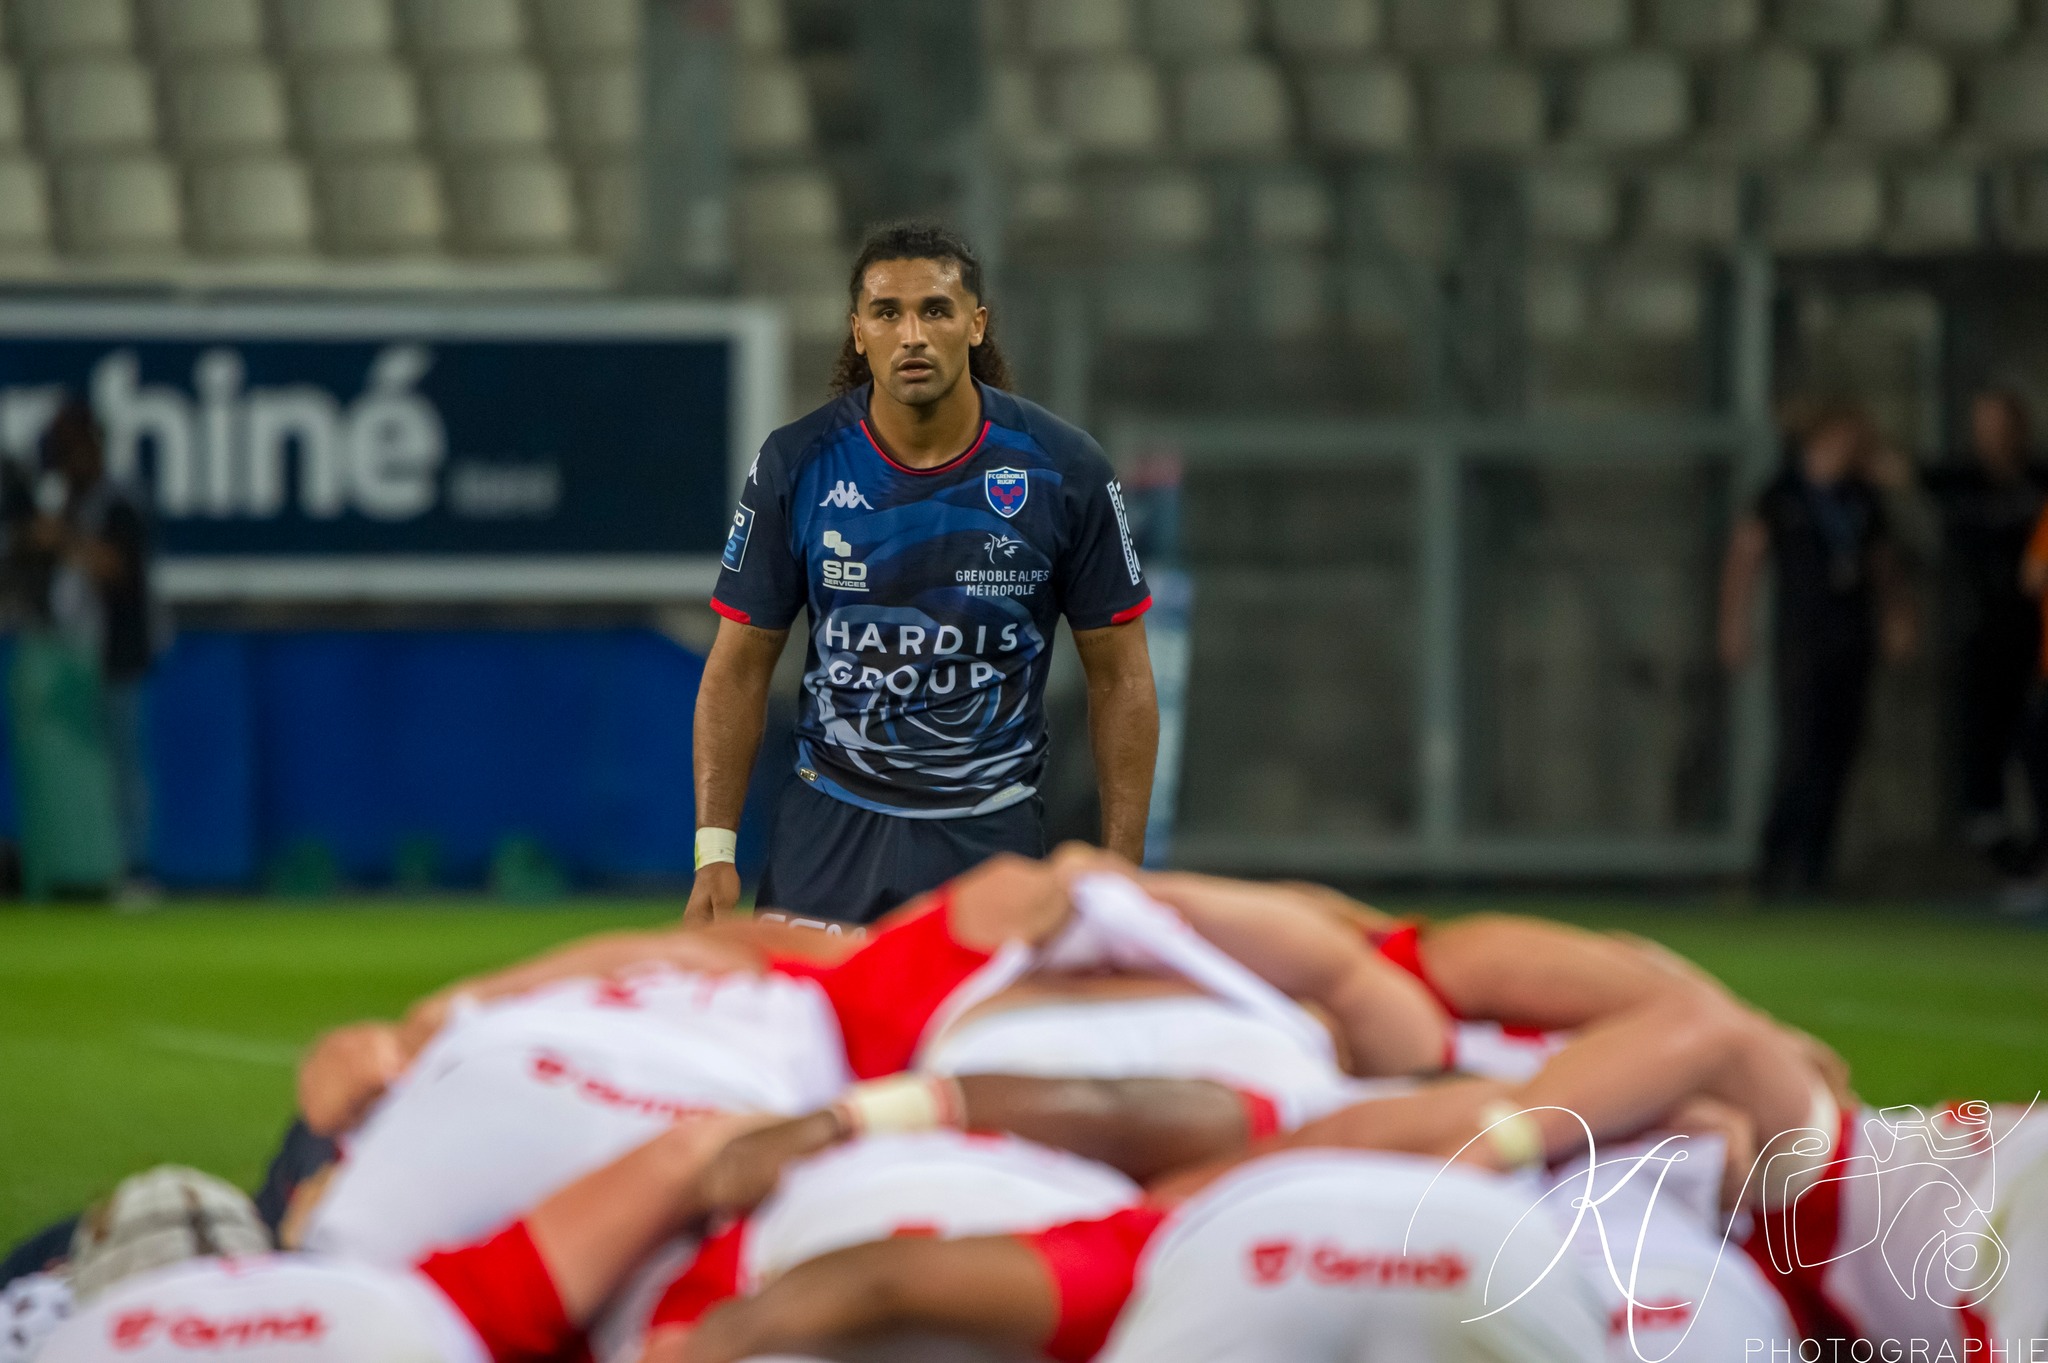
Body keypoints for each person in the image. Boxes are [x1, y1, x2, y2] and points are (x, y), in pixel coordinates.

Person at [687, 222, 1159, 926]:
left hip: (987, 835)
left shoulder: (1065, 469)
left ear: (976, 324)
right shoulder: (799, 463)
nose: (912, 333)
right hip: (828, 830)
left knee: (973, 1039)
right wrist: (714, 851)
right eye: (887, 313)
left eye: (935, 310)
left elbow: (1121, 675)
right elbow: (738, 668)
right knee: (818, 1034)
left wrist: (1122, 869)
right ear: (857, 332)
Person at [1719, 405, 1916, 896]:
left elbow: (1882, 562)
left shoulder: (1861, 496)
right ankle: (1771, 867)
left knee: (1840, 751)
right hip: (1801, 640)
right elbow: (1745, 558)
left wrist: (1898, 617)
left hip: (1852, 637)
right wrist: (1733, 624)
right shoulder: (1782, 491)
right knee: (1799, 751)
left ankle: (1814, 870)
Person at [24, 399, 164, 897]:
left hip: (115, 653)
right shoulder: (72, 500)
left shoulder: (115, 500)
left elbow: (114, 567)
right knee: (75, 771)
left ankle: (134, 869)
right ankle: (78, 868)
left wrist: (60, 538)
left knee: (122, 764)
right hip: (67, 653)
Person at [1920, 390, 2048, 856]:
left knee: (2036, 749)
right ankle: (2000, 856)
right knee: (1983, 744)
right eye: (1983, 426)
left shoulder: (2038, 479)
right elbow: (2033, 574)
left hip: (2035, 645)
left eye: (2000, 425)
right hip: (1981, 634)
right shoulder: (1960, 480)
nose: (1991, 436)